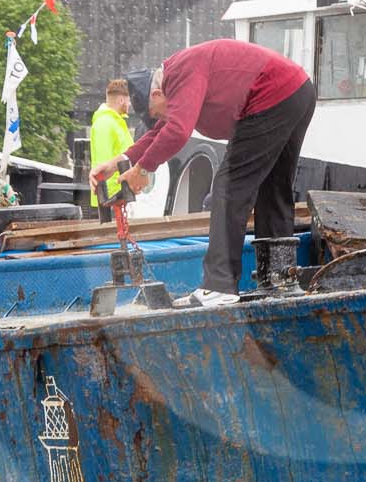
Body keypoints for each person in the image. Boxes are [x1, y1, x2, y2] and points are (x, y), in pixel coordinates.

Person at [88, 38, 315, 307]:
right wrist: (119, 161)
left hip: (270, 95)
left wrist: (143, 169)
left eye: (156, 114)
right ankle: (277, 279)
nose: (159, 120)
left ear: (157, 95)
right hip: (297, 91)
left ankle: (220, 285)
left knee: (228, 187)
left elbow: (177, 131)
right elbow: (164, 130)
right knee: (273, 187)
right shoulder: (177, 78)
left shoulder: (179, 74)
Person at [87, 78, 134, 221]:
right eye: (129, 100)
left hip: (120, 196)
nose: (130, 104)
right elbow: (103, 164)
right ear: (121, 100)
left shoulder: (116, 122)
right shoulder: (105, 124)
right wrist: (110, 198)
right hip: (112, 201)